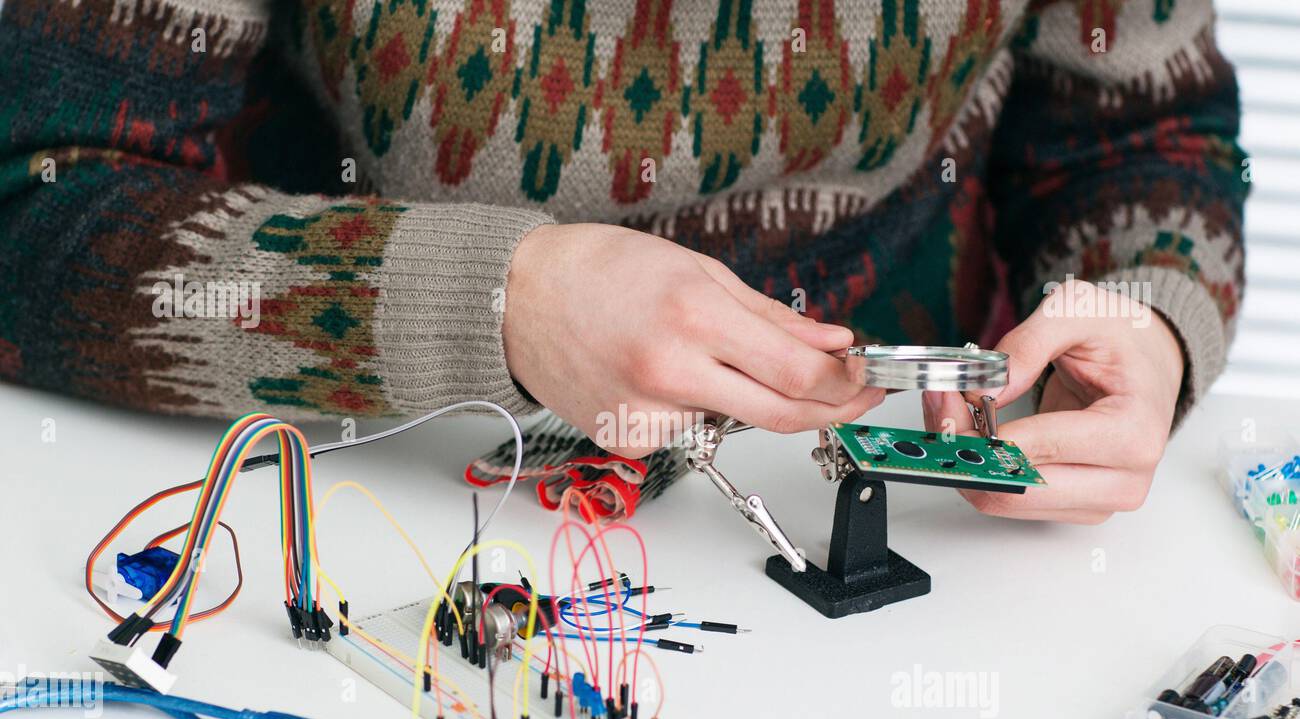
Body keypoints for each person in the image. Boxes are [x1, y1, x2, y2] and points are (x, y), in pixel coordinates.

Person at [0, 0, 1247, 524]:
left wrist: (1147, 317)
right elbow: (32, 205)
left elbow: (1143, 135)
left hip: (911, 539)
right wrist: (491, 299)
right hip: (384, 484)